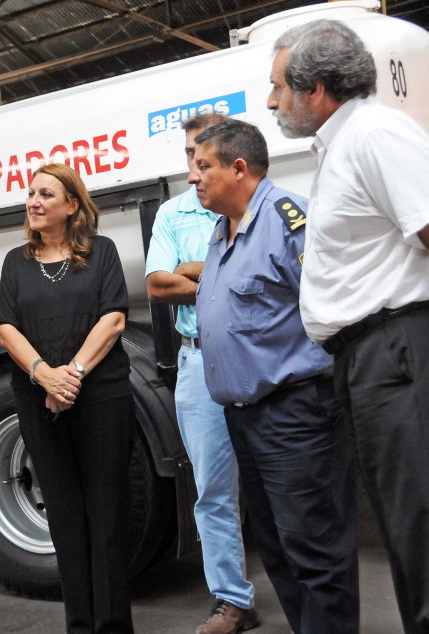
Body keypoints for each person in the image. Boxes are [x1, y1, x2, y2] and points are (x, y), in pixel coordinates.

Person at [267, 19, 429, 633]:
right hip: (369, 358)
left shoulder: (374, 134)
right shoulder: (341, 145)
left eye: (279, 86)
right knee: (404, 528)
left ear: (317, 88)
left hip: (397, 350)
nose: (272, 101)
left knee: (420, 530)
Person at [193, 120, 359, 633]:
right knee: (279, 550)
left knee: (315, 549)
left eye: (203, 166)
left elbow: (336, 311)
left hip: (296, 413)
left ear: (239, 169)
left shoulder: (289, 220)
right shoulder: (223, 231)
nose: (193, 177)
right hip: (245, 418)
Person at [0, 163, 135, 633]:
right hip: (38, 401)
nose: (33, 202)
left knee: (107, 516)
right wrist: (43, 376)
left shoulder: (102, 252)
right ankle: (79, 626)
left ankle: (113, 627)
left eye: (46, 194)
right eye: (31, 193)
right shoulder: (16, 262)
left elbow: (113, 319)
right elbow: (7, 326)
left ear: (72, 205)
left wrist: (70, 377)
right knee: (65, 519)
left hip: (101, 397)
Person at [145, 114, 258, 634]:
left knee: (278, 479)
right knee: (212, 487)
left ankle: (307, 594)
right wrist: (226, 279)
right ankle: (232, 600)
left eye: (203, 155)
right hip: (198, 359)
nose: (194, 167)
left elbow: (265, 278)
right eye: (190, 154)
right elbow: (158, 285)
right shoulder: (173, 212)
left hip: (258, 355)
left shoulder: (256, 206)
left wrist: (194, 271)